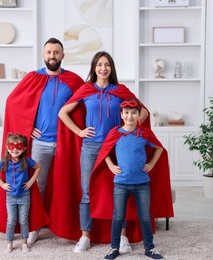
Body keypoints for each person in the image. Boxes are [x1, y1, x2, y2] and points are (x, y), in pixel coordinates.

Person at [56, 51, 149, 253]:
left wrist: (130, 125)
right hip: (91, 147)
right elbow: (63, 112)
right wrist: (80, 131)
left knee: (121, 191)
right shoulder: (86, 89)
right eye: (99, 64)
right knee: (87, 191)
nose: (103, 68)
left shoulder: (121, 90)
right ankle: (85, 236)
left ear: (111, 68)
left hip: (118, 147)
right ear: (94, 67)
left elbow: (143, 111)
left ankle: (123, 237)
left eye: (107, 64)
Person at [0, 38, 85, 245]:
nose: (52, 56)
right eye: (49, 52)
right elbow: (13, 103)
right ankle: (34, 228)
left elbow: (87, 105)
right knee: (37, 186)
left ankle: (66, 225)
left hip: (65, 143)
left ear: (63, 56)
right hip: (40, 144)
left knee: (66, 184)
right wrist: (28, 126)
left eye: (56, 52)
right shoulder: (32, 78)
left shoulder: (74, 80)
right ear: (43, 55)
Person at [100, 99, 164, 259]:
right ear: (121, 115)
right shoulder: (115, 133)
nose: (130, 116)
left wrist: (151, 164)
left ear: (138, 115)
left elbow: (159, 148)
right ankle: (114, 248)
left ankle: (149, 248)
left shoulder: (144, 134)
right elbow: (104, 151)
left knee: (145, 216)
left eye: (133, 112)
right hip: (121, 184)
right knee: (118, 216)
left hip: (142, 183)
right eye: (126, 113)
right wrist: (110, 166)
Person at [0, 134, 41, 253]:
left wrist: (31, 181)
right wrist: (2, 184)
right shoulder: (5, 161)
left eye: (18, 146)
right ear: (7, 147)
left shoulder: (27, 160)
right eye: (11, 146)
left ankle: (24, 243)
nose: (15, 149)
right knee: (11, 220)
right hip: (10, 196)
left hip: (24, 195)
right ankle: (9, 243)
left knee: (24, 220)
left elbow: (38, 167)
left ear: (24, 148)